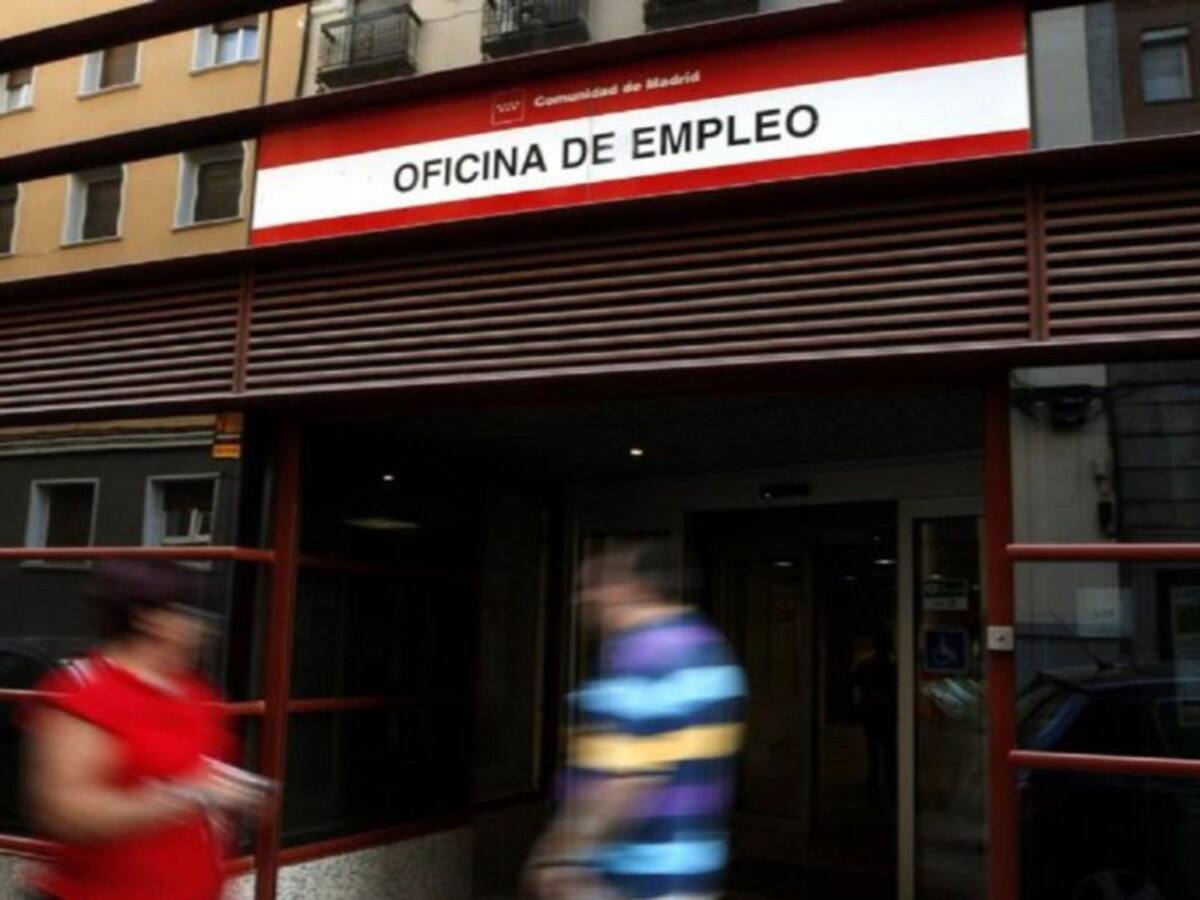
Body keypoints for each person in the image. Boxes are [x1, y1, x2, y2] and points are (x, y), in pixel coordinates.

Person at [21, 560, 264, 900]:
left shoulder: (197, 691)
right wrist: (187, 796)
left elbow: (196, 771)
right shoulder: (85, 691)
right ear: (148, 618)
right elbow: (65, 812)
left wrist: (232, 791)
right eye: (191, 614)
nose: (206, 628)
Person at [526, 542, 747, 900]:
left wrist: (562, 859)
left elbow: (622, 781)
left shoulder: (642, 656)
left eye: (593, 585)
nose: (582, 598)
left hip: (634, 879)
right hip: (691, 874)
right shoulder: (709, 647)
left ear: (632, 588)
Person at [853, 629, 898, 790]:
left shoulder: (866, 665)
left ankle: (874, 777)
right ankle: (890, 779)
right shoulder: (894, 667)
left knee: (873, 747)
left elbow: (856, 683)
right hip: (886, 711)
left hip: (871, 710)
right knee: (889, 747)